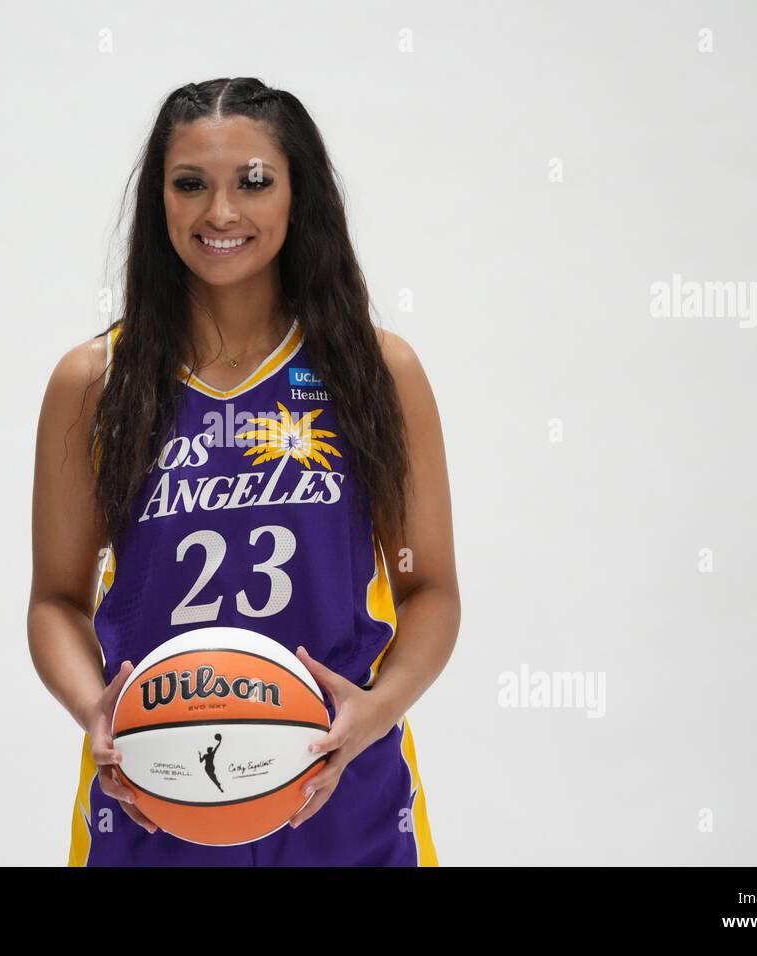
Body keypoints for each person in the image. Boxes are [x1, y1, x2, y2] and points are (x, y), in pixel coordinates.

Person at [27, 78, 460, 866]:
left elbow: (430, 588)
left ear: (299, 196)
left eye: (253, 182)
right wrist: (97, 712)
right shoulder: (94, 382)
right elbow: (56, 599)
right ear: (160, 201)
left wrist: (374, 712)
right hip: (154, 792)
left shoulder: (374, 370)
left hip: (344, 787)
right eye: (190, 184)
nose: (219, 213)